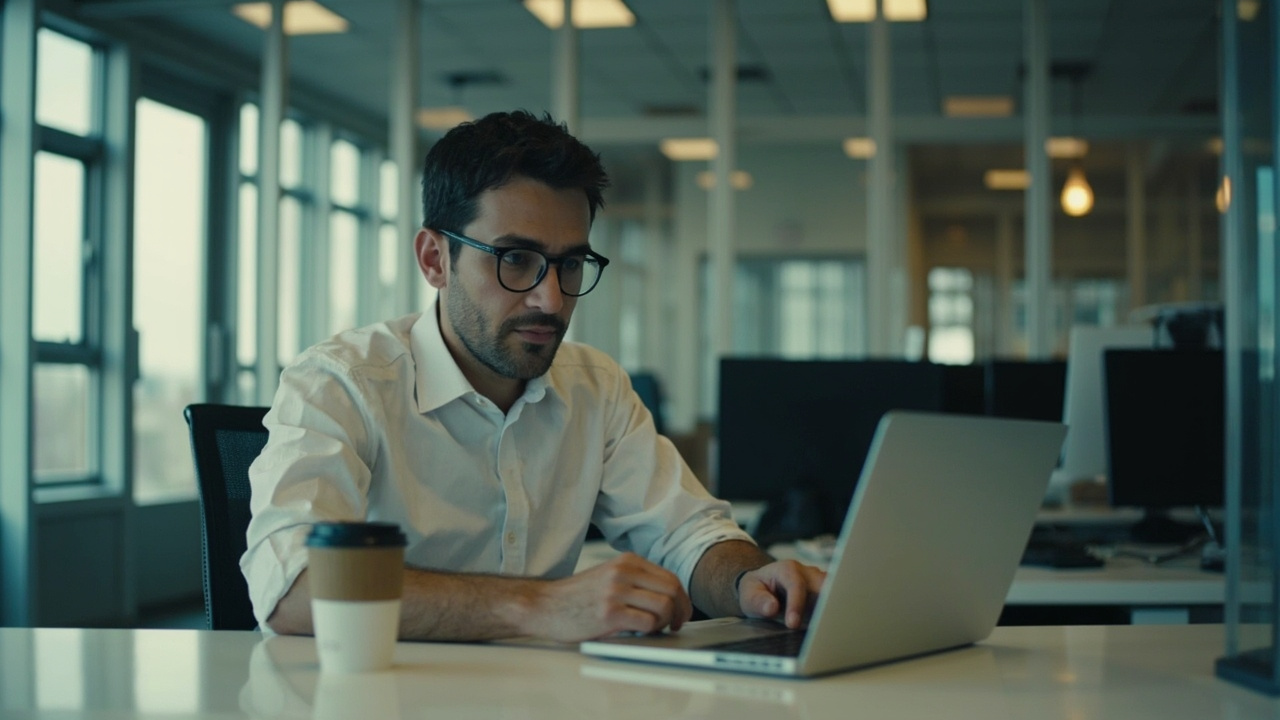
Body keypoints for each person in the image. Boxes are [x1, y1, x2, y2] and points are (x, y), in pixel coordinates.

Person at [241, 110, 826, 642]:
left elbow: (687, 535)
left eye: (570, 263)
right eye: (515, 258)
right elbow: (292, 586)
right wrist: (535, 606)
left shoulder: (595, 387)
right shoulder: (342, 382)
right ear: (434, 259)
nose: (550, 298)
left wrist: (751, 579)